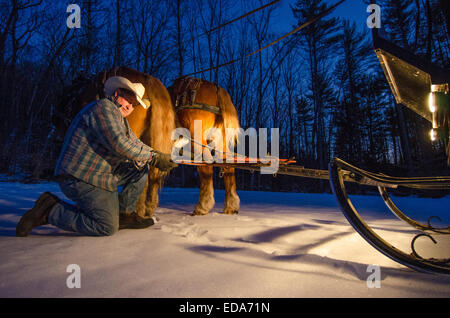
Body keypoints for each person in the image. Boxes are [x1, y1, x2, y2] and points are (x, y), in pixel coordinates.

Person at [16, 76, 177, 237]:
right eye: (128, 100)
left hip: (98, 174)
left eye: (134, 105)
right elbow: (119, 143)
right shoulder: (103, 109)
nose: (129, 107)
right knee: (106, 226)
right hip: (79, 177)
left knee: (139, 169)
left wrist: (159, 155)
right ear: (117, 93)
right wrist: (154, 157)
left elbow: (135, 144)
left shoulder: (119, 119)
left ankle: (125, 214)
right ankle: (50, 210)